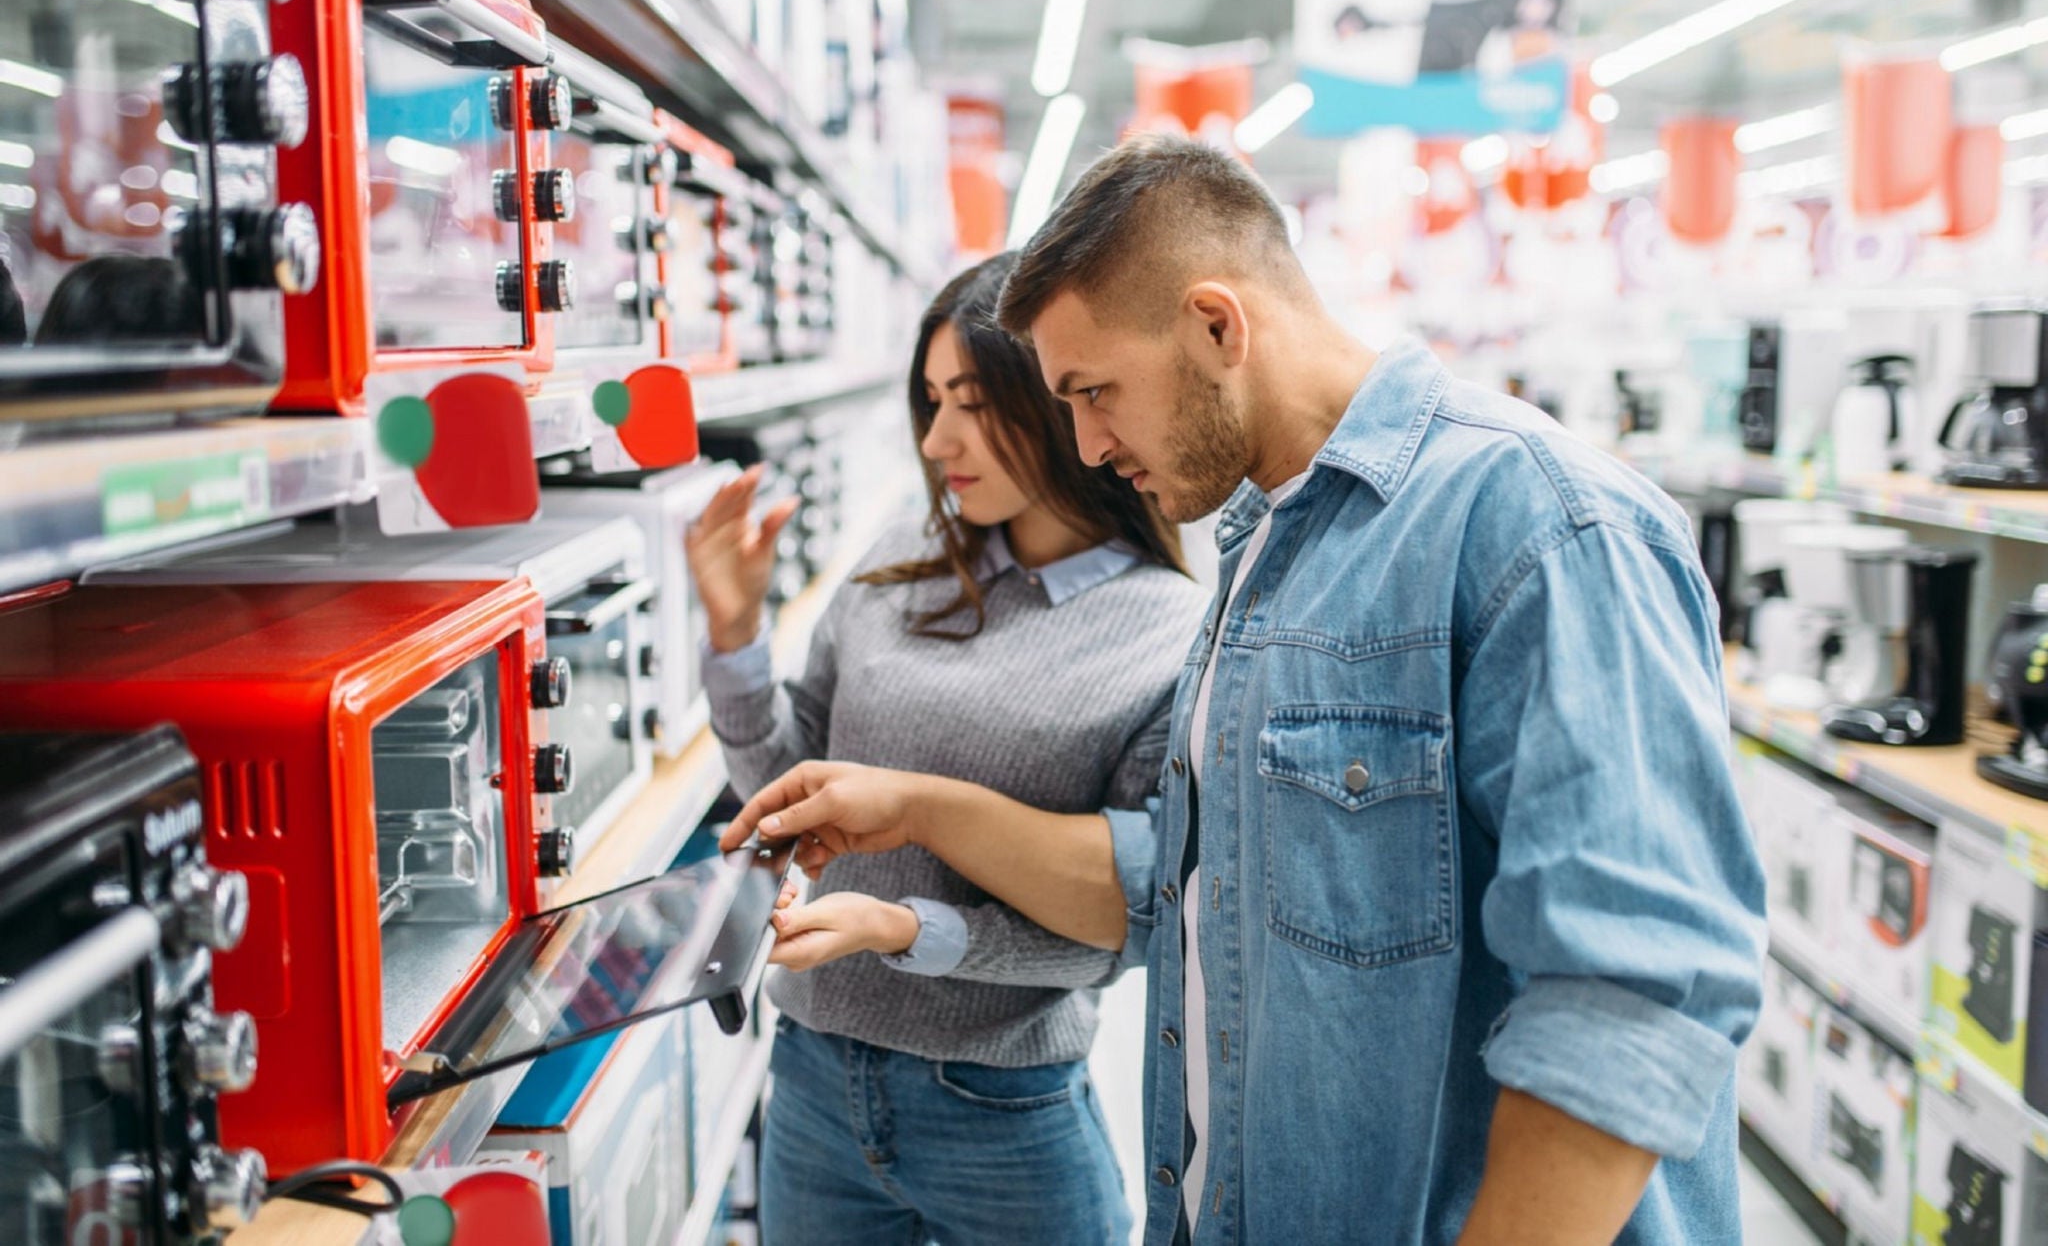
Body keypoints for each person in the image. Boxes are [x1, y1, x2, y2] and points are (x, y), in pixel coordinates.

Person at [721, 137, 1767, 1246]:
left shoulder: (1539, 526)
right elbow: (1180, 883)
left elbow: (1629, 996)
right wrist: (917, 810)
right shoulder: (1263, 548)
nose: (1081, 441)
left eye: (1093, 391)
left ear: (1216, 326)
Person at [687, 251, 1206, 1245]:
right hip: (811, 1076)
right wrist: (734, 637)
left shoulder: (1165, 633)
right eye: (929, 402)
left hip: (1002, 1104)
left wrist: (908, 928)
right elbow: (783, 803)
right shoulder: (897, 559)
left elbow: (1128, 927)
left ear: (1055, 397)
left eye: (968, 403)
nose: (936, 440)